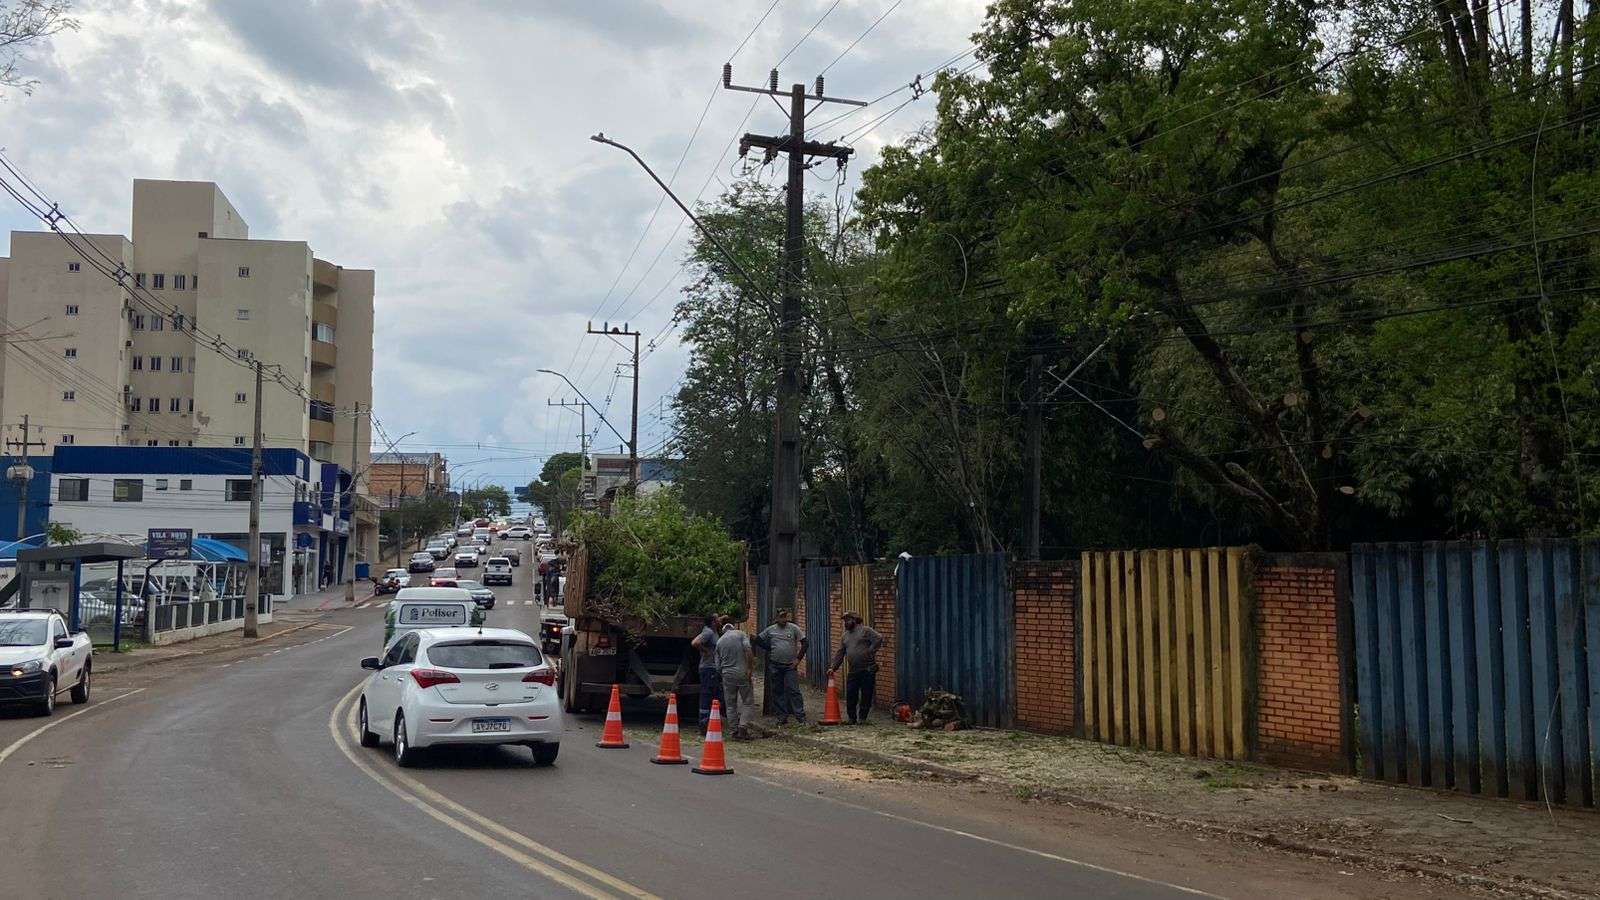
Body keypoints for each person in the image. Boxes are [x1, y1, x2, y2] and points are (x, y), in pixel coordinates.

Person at [828, 611, 884, 724]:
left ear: (855, 620)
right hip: (853, 669)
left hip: (867, 668)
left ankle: (862, 718)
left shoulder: (865, 630)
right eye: (845, 620)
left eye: (848, 620)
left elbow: (879, 638)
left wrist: (871, 650)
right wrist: (833, 667)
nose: (846, 622)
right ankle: (851, 718)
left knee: (866, 694)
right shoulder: (845, 636)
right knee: (851, 693)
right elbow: (840, 653)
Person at [756, 608, 807, 725]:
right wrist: (769, 648)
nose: (784, 619)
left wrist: (798, 659)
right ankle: (782, 717)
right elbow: (758, 639)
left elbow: (805, 642)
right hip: (775, 665)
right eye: (781, 617)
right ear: (776, 618)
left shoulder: (793, 628)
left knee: (794, 690)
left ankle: (800, 717)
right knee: (777, 691)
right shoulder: (770, 630)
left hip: (790, 666)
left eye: (785, 616)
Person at [715, 619, 755, 739]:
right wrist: (749, 668)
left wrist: (723, 674)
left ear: (723, 629)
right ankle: (743, 727)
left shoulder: (719, 641)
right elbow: (748, 650)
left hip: (727, 674)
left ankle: (734, 731)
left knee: (730, 704)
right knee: (747, 701)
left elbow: (717, 665)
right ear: (733, 627)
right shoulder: (741, 634)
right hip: (742, 673)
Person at [691, 614, 723, 733]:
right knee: (707, 694)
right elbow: (695, 642)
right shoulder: (708, 632)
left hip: (713, 668)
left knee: (714, 694)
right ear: (713, 622)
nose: (719, 620)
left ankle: (710, 720)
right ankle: (704, 722)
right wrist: (706, 651)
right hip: (708, 668)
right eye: (717, 618)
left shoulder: (713, 631)